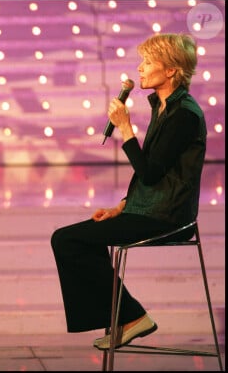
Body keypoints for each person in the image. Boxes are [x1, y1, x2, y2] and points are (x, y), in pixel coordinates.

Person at [51, 33, 206, 350]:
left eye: (148, 62)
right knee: (73, 239)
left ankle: (132, 317)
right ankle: (125, 318)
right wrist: (122, 206)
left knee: (67, 240)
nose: (141, 68)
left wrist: (125, 128)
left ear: (172, 70)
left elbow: (149, 173)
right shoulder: (164, 107)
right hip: (150, 207)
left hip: (168, 216)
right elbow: (156, 172)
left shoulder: (185, 115)